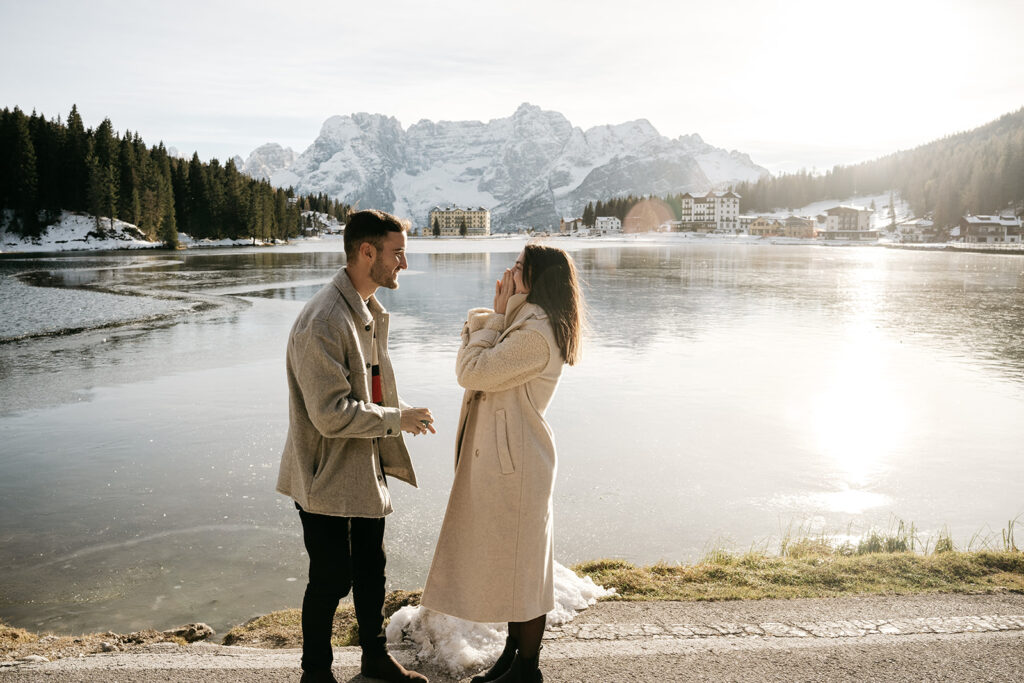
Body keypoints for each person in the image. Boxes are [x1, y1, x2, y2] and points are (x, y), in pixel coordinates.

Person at [276, 209, 436, 683]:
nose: (403, 263)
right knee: (330, 580)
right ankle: (316, 674)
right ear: (368, 252)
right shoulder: (324, 321)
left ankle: (373, 660)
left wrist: (400, 409)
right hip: (324, 476)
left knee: (372, 570)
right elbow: (329, 414)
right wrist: (396, 419)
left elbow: (364, 389)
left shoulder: (363, 310)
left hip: (362, 470)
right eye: (397, 252)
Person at [420, 243, 584, 683]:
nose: (508, 274)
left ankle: (527, 669)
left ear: (538, 279)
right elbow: (480, 362)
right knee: (516, 569)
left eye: (518, 268)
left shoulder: (535, 334)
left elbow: (472, 372)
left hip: (519, 465)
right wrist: (498, 315)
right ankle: (512, 659)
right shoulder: (528, 321)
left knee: (525, 573)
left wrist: (492, 318)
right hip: (512, 459)